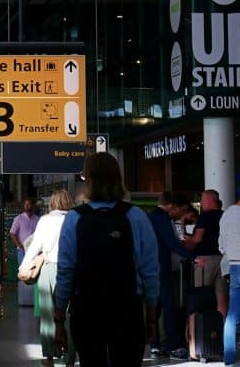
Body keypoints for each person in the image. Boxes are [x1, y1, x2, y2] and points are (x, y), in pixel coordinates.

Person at [54, 152, 159, 367]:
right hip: (127, 308)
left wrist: (58, 321)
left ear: (89, 179)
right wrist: (151, 316)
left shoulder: (75, 218)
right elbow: (150, 271)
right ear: (117, 178)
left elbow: (65, 271)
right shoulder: (136, 216)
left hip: (86, 309)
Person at [18, 188, 76, 367]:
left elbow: (36, 246)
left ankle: (50, 357)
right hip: (72, 270)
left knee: (47, 316)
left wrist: (23, 268)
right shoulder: (75, 219)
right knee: (70, 315)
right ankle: (70, 359)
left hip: (49, 270)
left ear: (52, 202)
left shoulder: (45, 220)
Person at [147, 192, 192, 359]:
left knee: (155, 307)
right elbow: (171, 242)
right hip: (162, 266)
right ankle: (173, 345)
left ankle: (154, 343)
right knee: (169, 305)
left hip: (149, 266)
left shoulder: (148, 217)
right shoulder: (163, 218)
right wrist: (192, 256)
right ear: (171, 205)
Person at [183, 189, 228, 318]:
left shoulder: (205, 216)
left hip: (205, 260)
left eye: (202, 200)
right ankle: (220, 329)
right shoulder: (225, 215)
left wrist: (186, 240)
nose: (201, 203)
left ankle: (201, 330)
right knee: (222, 297)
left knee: (201, 296)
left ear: (210, 200)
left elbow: (198, 239)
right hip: (223, 259)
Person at [220, 198, 240, 367]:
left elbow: (221, 245)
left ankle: (229, 358)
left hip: (234, 266)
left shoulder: (227, 214)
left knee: (232, 315)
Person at [10, 197, 40, 307]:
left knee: (34, 274)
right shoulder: (18, 219)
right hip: (22, 251)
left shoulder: (37, 219)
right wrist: (19, 245)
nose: (28, 206)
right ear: (23, 206)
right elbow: (12, 233)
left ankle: (32, 300)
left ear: (32, 205)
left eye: (29, 204)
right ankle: (23, 300)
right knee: (23, 274)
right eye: (26, 204)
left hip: (35, 252)